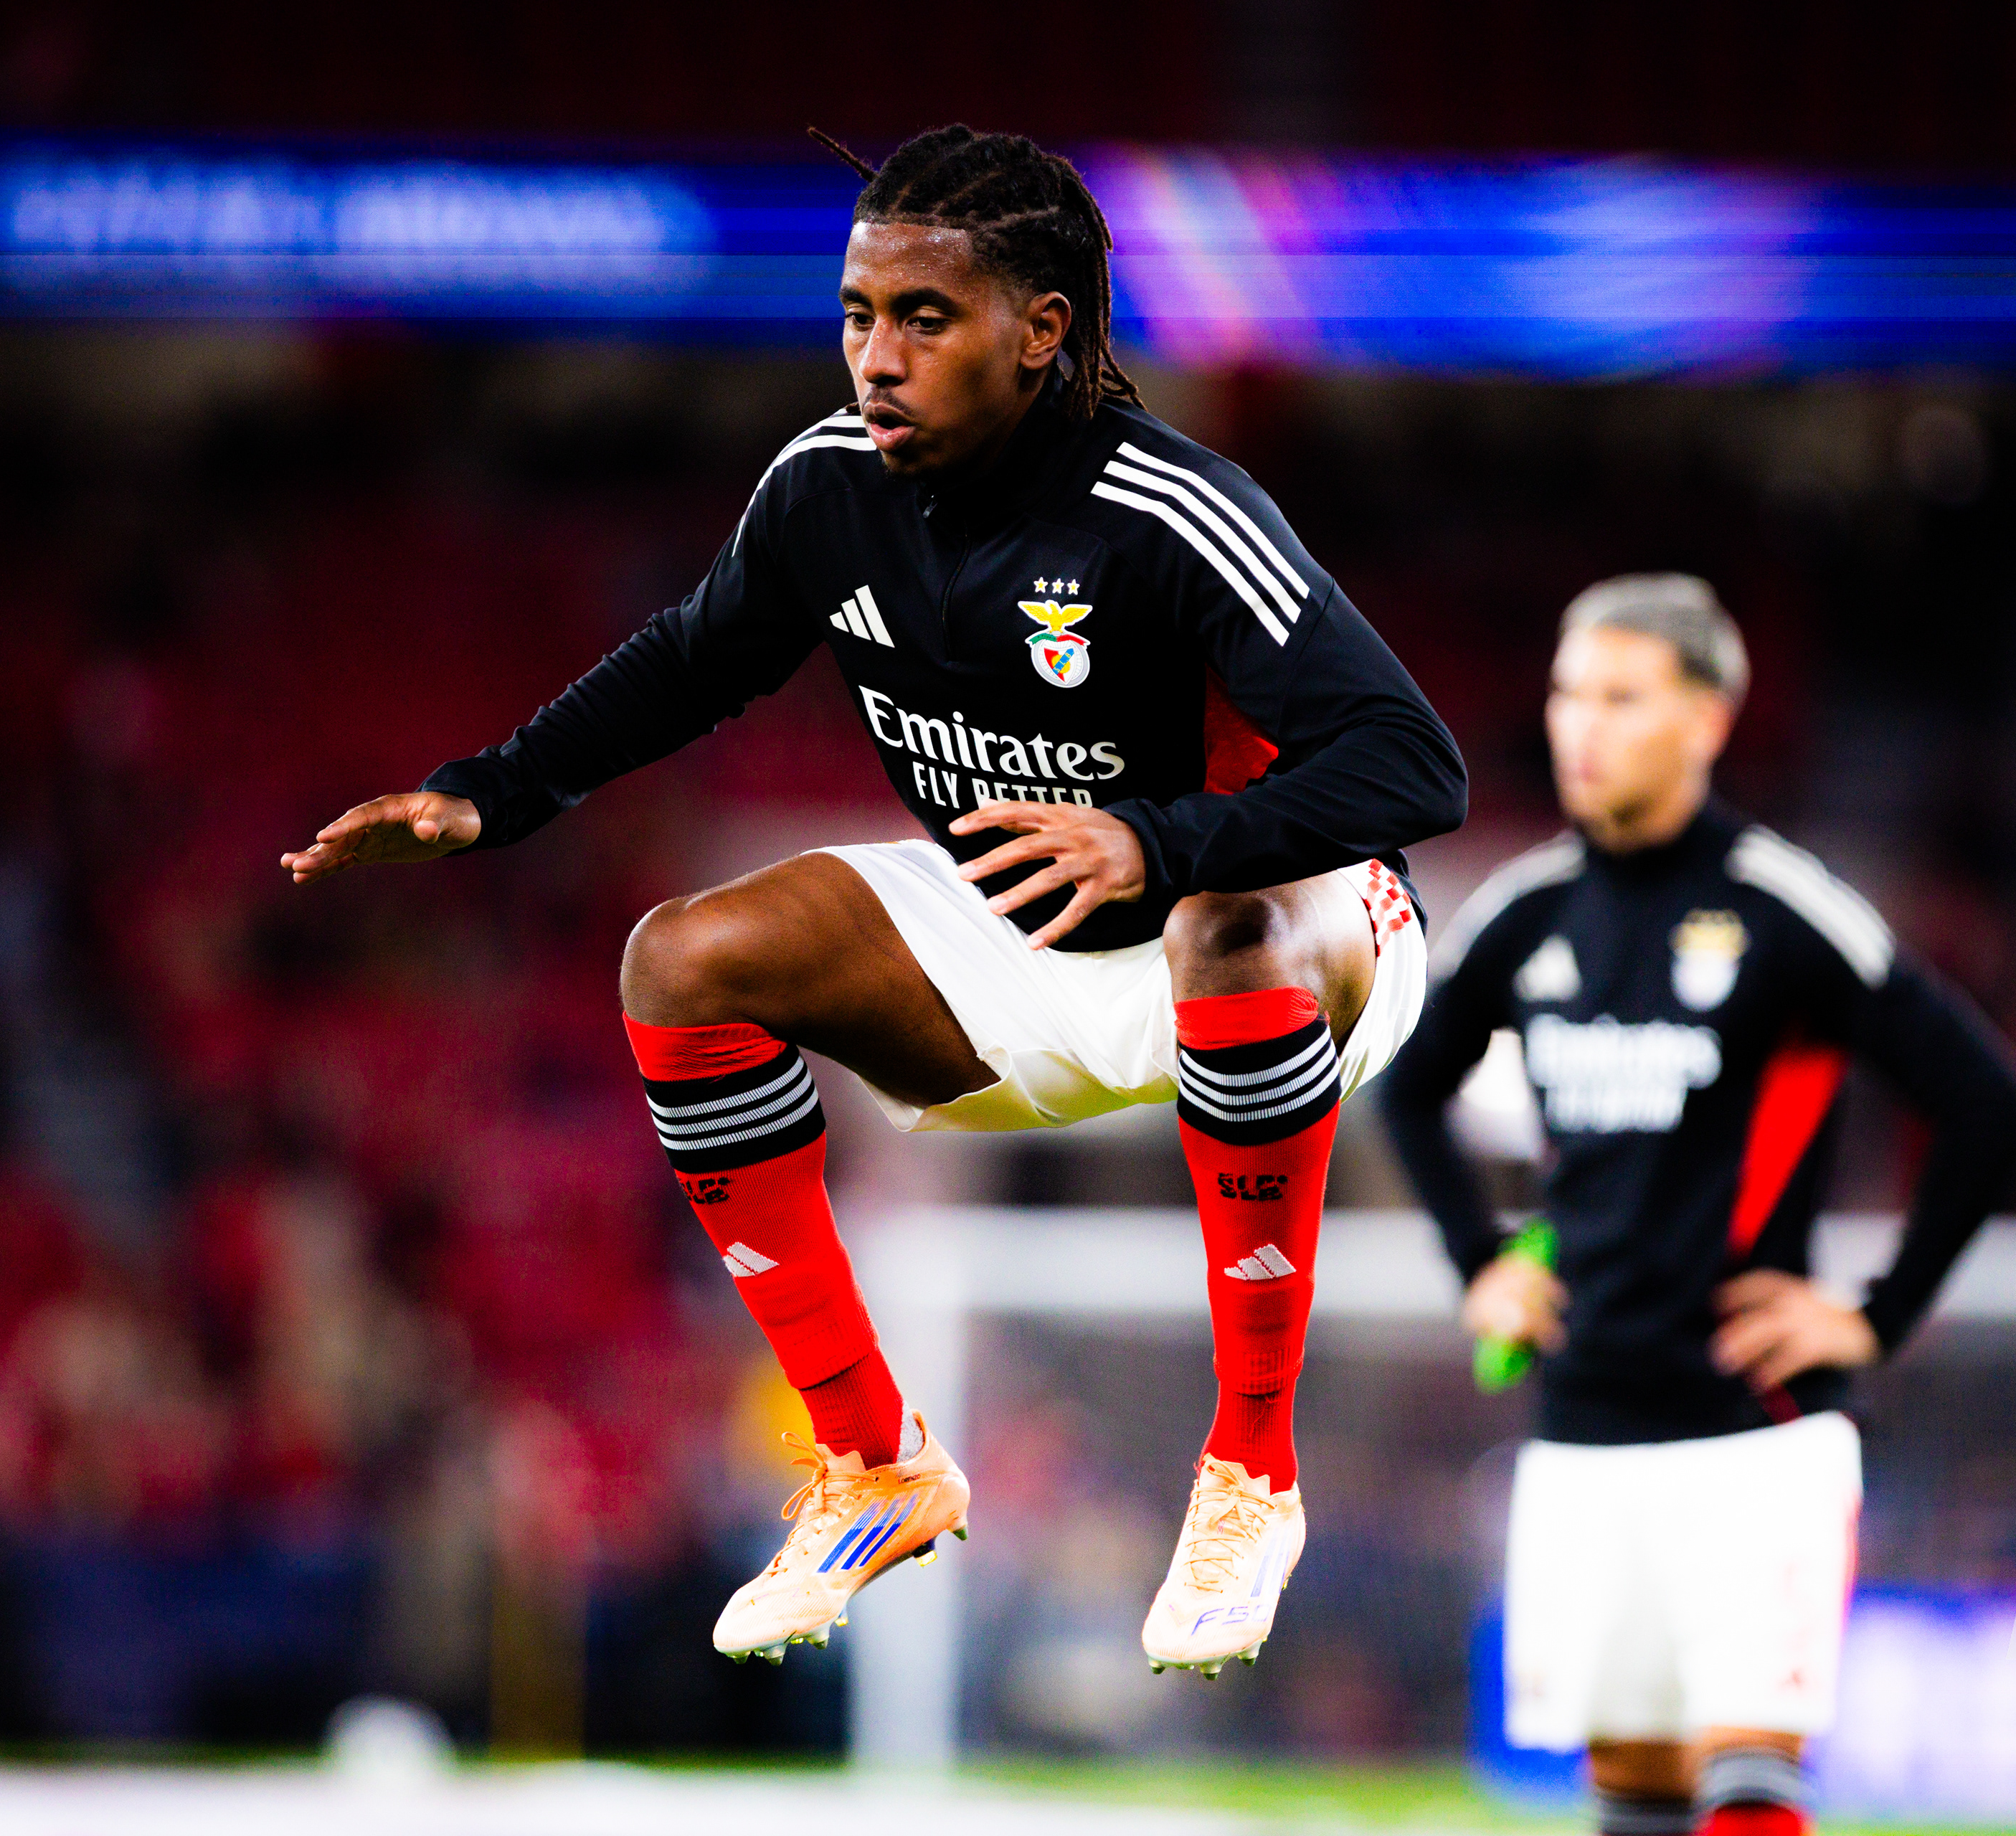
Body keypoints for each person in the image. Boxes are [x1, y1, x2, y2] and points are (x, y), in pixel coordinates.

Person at [281, 126, 1466, 1675]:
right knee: (681, 961)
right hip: (1026, 936)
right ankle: (875, 1458)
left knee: (1228, 921)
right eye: (858, 314)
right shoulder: (827, 487)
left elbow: (1414, 764)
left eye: (925, 317)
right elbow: (699, 655)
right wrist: (490, 792)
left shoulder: (1173, 511)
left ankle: (1251, 1473)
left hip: (1283, 938)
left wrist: (1164, 839)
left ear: (1040, 331)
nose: (876, 356)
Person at [1378, 576, 2016, 1836]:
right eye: (1570, 694)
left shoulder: (1784, 904)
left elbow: (1990, 1107)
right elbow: (1407, 1092)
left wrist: (1876, 1317)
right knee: (1636, 1798)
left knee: (1747, 1788)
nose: (1583, 725)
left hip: (1756, 1435)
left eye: (1623, 697)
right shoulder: (1525, 912)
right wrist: (1480, 1261)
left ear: (1708, 718)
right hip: (1583, 1430)